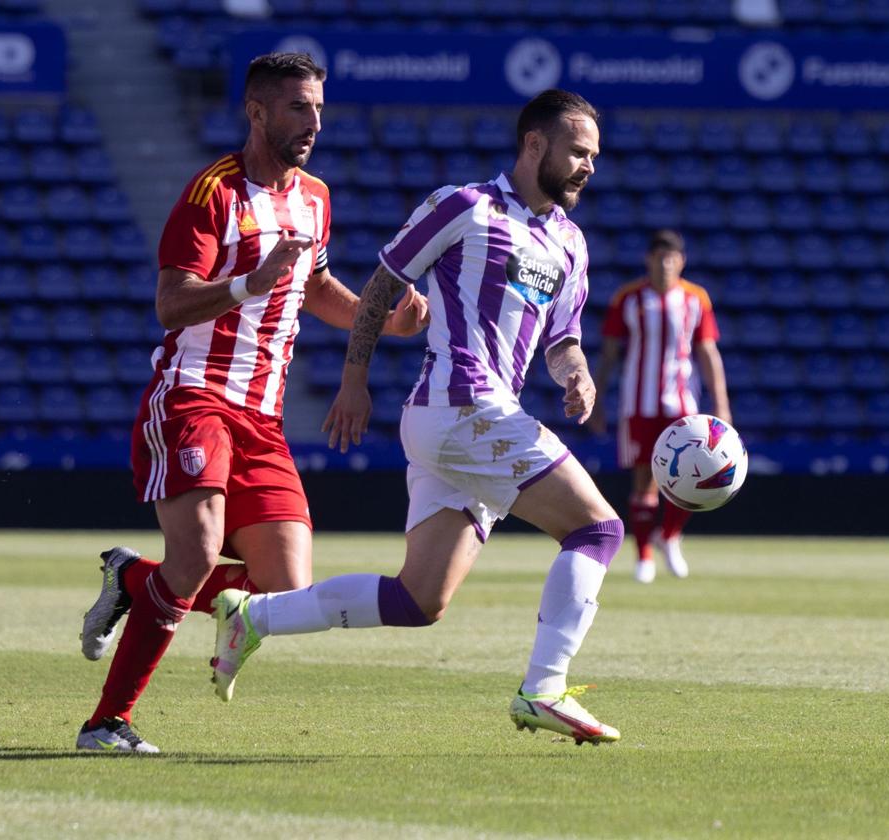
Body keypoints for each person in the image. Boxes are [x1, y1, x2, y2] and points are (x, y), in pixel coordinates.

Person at [208, 88, 626, 746]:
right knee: (598, 529)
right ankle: (544, 688)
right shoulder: (463, 207)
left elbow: (562, 339)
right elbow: (383, 283)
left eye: (595, 156)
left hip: (471, 422)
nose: (588, 166)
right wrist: (353, 379)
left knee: (417, 601)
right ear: (534, 145)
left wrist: (576, 375)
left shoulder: (570, 245)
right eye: (578, 152)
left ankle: (254, 618)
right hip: (462, 406)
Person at [74, 52, 426, 754]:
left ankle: (133, 577)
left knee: (287, 589)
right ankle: (106, 722)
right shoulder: (211, 193)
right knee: (199, 552)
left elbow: (314, 287)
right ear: (257, 112)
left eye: (319, 109)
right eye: (299, 107)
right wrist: (247, 283)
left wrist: (380, 320)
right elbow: (171, 304)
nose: (313, 122)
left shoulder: (315, 197)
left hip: (262, 418)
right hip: (196, 395)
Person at [589, 229, 730, 584]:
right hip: (639, 402)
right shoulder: (629, 299)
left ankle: (668, 536)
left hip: (683, 403)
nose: (665, 264)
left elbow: (708, 352)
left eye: (672, 258)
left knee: (694, 478)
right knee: (643, 479)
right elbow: (609, 353)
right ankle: (644, 555)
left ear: (681, 261)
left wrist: (721, 405)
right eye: (659, 257)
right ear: (648, 260)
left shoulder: (696, 299)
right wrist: (598, 398)